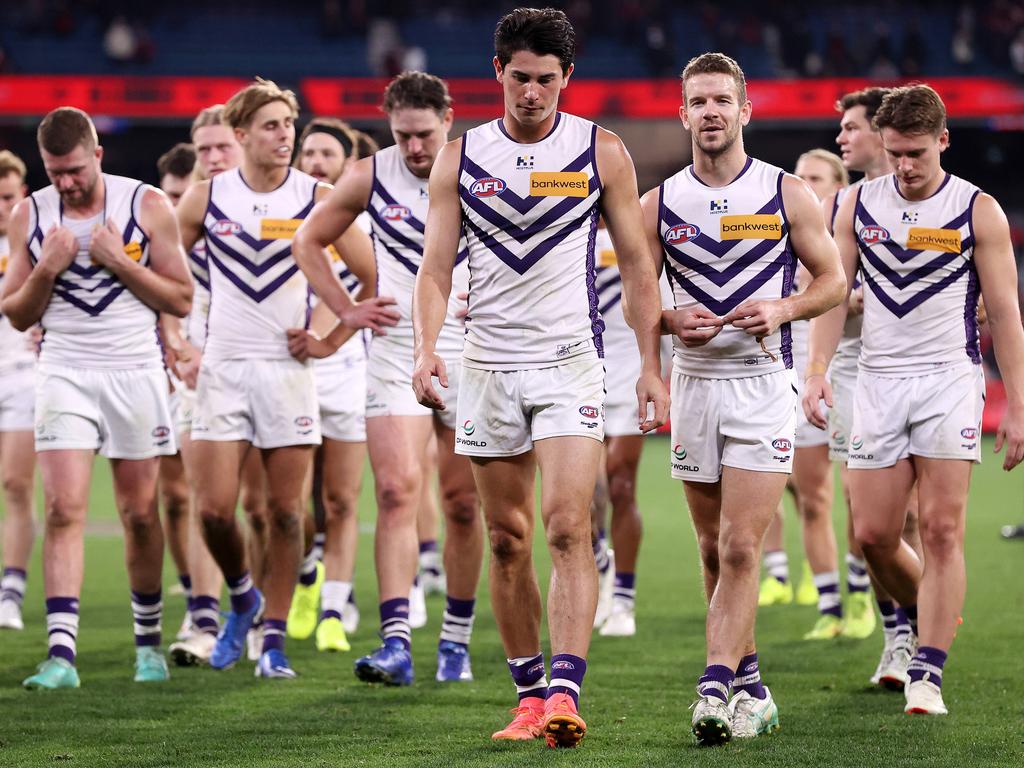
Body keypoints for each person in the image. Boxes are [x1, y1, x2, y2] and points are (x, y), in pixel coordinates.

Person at [412, 8, 668, 747]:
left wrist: (648, 365)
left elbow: (639, 266)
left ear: (568, 79)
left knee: (565, 525)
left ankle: (565, 692)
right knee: (505, 538)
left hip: (569, 365)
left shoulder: (602, 151)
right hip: (485, 363)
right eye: (520, 78)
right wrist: (426, 348)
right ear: (497, 72)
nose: (532, 93)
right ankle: (527, 695)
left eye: (547, 81)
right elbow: (434, 269)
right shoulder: (460, 158)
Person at [804, 84, 1024, 716]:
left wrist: (1017, 403)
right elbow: (830, 290)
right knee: (872, 534)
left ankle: (927, 668)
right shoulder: (854, 204)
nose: (904, 166)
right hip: (874, 379)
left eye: (916, 153)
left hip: (948, 379)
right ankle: (935, 609)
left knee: (939, 526)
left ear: (943, 142)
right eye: (895, 152)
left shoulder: (977, 209)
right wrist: (818, 369)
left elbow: (1005, 314)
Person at [643, 53, 844, 744]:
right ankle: (752, 687)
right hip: (695, 387)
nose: (710, 112)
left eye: (722, 100)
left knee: (737, 546)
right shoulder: (659, 203)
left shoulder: (788, 193)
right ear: (683, 114)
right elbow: (640, 301)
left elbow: (833, 282)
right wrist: (665, 329)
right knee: (711, 549)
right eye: (698, 102)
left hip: (762, 387)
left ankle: (712, 687)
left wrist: (785, 309)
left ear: (745, 110)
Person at [175, 78, 393, 679]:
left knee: (286, 513)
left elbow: (371, 281)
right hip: (222, 368)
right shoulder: (202, 199)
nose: (283, 135)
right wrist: (174, 337)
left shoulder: (318, 196)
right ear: (241, 134)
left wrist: (329, 340)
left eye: (288, 125)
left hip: (289, 373)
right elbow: (165, 277)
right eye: (270, 126)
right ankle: (242, 598)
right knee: (217, 511)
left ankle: (272, 641)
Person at [292, 71, 484, 686]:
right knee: (398, 492)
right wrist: (348, 310)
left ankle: (455, 640)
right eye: (403, 135)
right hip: (396, 345)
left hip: (471, 347)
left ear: (448, 120)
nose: (415, 149)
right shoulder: (371, 174)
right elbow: (308, 240)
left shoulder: (486, 168)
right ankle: (396, 642)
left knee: (460, 503)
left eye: (424, 134)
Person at [2, 107, 193, 688]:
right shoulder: (28, 214)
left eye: (76, 170)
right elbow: (15, 311)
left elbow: (180, 297)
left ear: (98, 156)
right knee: (63, 510)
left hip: (135, 371)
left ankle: (147, 645)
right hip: (64, 372)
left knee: (140, 514)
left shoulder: (146, 206)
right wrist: (46, 270)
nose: (67, 182)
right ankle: (61, 656)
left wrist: (116, 260)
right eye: (56, 172)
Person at [286, 116, 373, 654]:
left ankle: (335, 613)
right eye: (309, 153)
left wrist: (335, 336)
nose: (317, 161)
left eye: (327, 154)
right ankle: (302, 577)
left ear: (345, 165)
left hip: (343, 370)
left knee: (341, 500)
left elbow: (374, 283)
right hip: (288, 365)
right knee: (290, 504)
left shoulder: (354, 221)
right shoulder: (280, 211)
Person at [163, 105, 243, 667]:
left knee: (267, 506)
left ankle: (263, 616)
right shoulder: (184, 215)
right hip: (197, 371)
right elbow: (157, 286)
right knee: (203, 500)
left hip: (266, 370)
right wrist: (176, 342)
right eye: (204, 149)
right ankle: (204, 615)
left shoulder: (285, 206)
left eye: (222, 148)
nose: (213, 158)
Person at [758, 148, 849, 641]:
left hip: (826, 374)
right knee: (769, 489)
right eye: (802, 177)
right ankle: (775, 574)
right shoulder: (786, 229)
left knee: (815, 496)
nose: (808, 185)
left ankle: (838, 602)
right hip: (774, 372)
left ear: (839, 182)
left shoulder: (846, 236)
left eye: (818, 177)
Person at [590, 219, 673, 637]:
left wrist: (660, 369)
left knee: (620, 483)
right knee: (580, 495)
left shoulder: (640, 235)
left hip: (628, 372)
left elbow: (660, 303)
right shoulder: (562, 223)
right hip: (577, 369)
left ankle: (623, 596)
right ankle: (598, 568)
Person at [154, 142, 199, 642]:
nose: (177, 204)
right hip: (168, 369)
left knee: (250, 501)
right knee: (176, 495)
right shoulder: (153, 233)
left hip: (226, 362)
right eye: (170, 194)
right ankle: (195, 597)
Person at [0, 150, 36, 631]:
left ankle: (11, 591)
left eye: (7, 196)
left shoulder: (36, 241)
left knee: (16, 484)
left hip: (25, 371)